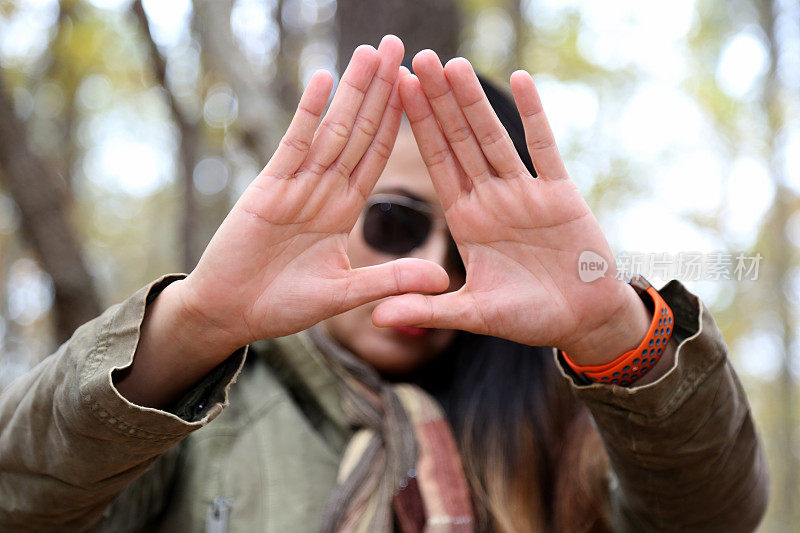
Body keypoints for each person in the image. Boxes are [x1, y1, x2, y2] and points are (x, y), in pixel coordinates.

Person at [0, 35, 768, 532]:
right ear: (331, 214)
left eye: (470, 248)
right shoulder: (196, 411)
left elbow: (715, 516)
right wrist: (194, 325)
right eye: (396, 223)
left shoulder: (569, 415)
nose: (432, 269)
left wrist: (616, 338)